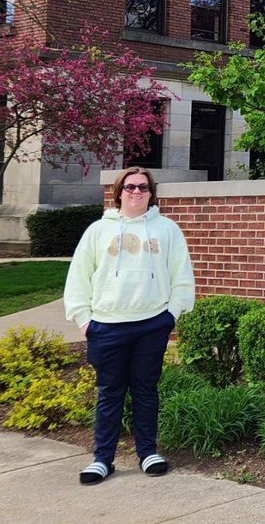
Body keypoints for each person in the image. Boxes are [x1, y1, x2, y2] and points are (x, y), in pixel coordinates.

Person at [63, 166, 195, 485]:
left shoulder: (166, 229)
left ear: (151, 193)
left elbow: (181, 275)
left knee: (146, 391)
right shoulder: (98, 230)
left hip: (152, 324)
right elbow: (79, 277)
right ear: (119, 191)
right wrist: (84, 321)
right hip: (107, 327)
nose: (137, 192)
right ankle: (102, 458)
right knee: (110, 393)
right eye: (131, 187)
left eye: (144, 187)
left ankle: (148, 453)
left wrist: (171, 315)